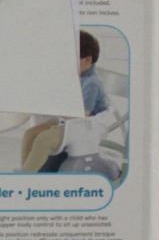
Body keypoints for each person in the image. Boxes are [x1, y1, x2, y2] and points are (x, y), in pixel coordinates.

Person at [20, 31, 109, 172]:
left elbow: (81, 114)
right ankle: (25, 171)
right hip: (67, 121)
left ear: (87, 60)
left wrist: (56, 107)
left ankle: (26, 174)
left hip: (83, 126)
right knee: (29, 134)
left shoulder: (92, 83)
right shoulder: (78, 76)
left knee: (43, 140)